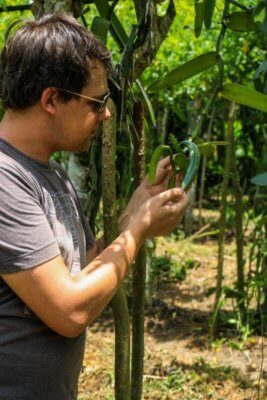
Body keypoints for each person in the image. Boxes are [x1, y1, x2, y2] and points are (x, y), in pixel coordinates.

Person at [0, 13, 188, 400]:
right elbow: (70, 313)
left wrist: (136, 212)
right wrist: (138, 231)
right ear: (51, 99)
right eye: (97, 101)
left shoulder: (52, 175)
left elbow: (84, 273)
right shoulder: (5, 180)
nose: (105, 113)